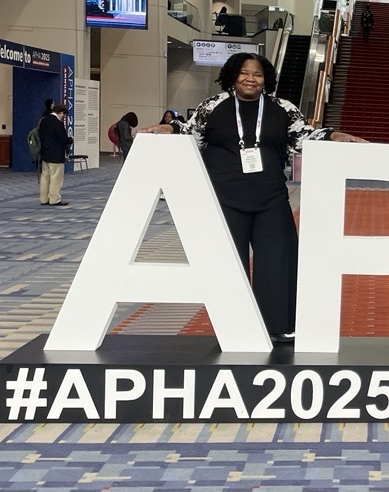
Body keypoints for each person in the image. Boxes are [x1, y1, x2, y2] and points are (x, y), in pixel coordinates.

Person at [139, 52, 367, 346]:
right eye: (244, 73)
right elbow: (190, 133)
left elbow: (305, 137)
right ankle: (234, 326)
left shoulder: (282, 108)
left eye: (257, 74)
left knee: (279, 265)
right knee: (227, 265)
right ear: (233, 75)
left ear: (266, 79)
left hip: (271, 199)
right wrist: (169, 127)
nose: (251, 78)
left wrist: (333, 135)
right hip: (223, 199)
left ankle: (279, 326)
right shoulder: (213, 106)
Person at [38, 104, 73, 207]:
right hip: (56, 155)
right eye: (63, 114)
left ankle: (43, 199)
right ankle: (54, 199)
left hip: (45, 153)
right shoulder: (57, 123)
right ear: (61, 112)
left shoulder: (43, 121)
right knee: (56, 178)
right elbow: (63, 140)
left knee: (45, 177)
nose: (63, 117)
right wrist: (71, 139)